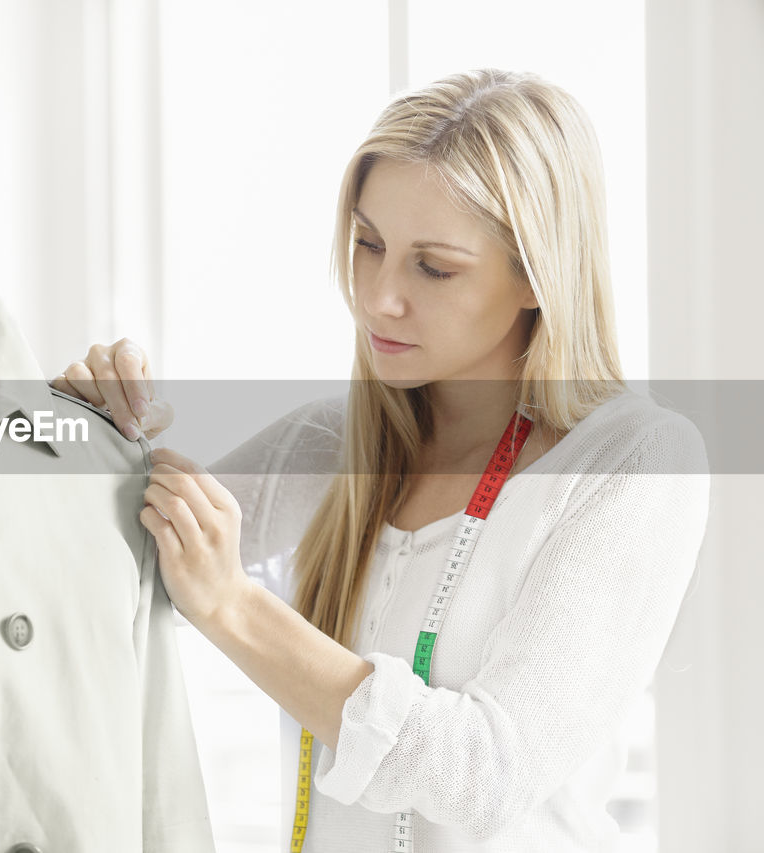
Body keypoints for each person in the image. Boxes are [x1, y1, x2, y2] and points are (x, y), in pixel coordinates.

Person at [49, 69, 710, 851]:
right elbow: (112, 560)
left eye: (433, 267)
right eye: (367, 244)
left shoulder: (633, 460)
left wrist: (231, 604)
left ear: (537, 275)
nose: (378, 298)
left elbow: (486, 773)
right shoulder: (336, 443)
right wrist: (77, 433)